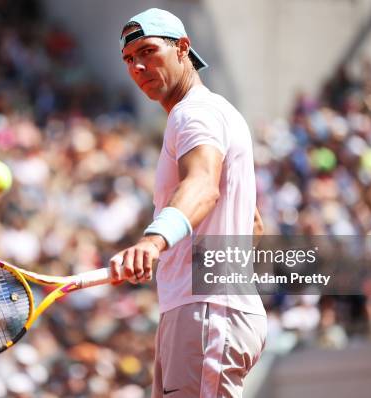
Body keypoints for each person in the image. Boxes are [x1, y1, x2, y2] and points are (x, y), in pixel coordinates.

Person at [110, 8, 267, 398]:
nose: (139, 66)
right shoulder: (212, 111)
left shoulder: (193, 113)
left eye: (148, 51)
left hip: (206, 311)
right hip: (201, 308)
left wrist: (154, 242)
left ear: (183, 48)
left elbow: (202, 185)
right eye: (130, 59)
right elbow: (253, 225)